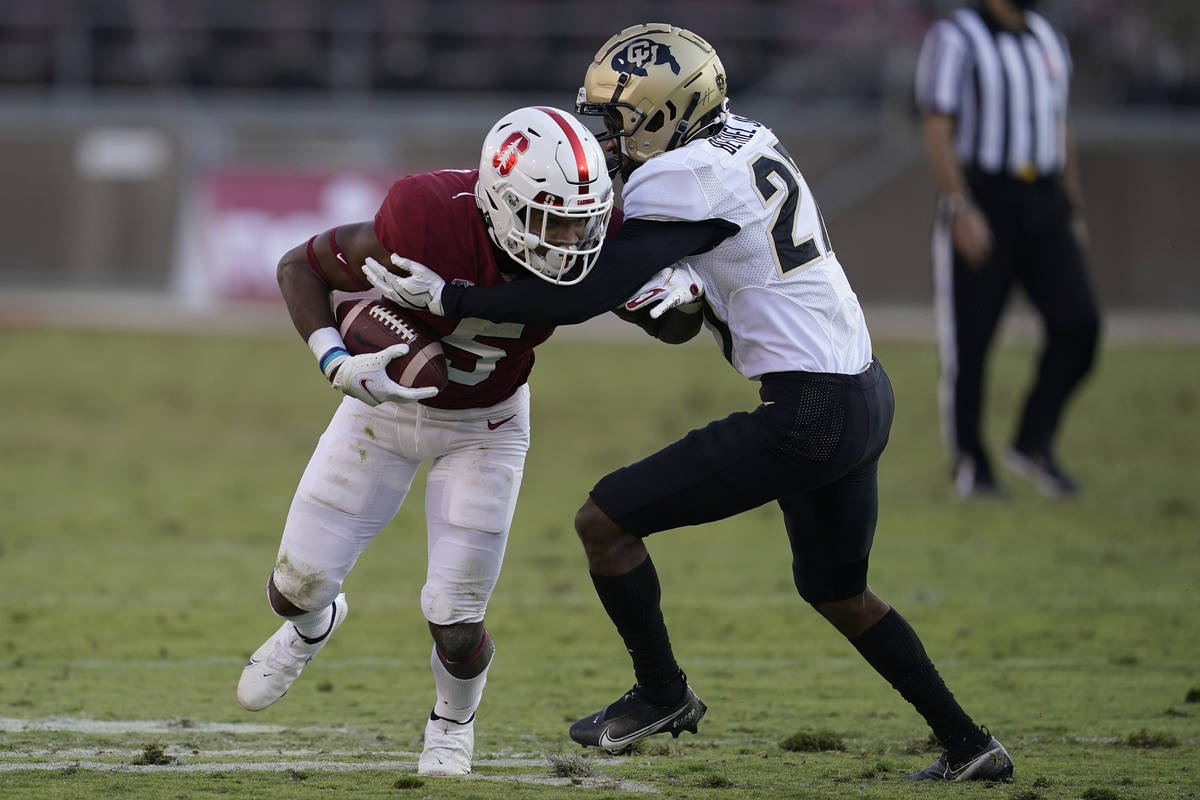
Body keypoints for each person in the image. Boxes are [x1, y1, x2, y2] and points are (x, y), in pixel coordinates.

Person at [366, 22, 1014, 782]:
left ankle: (663, 693)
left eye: (619, 118)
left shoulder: (684, 176)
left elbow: (588, 289)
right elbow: (689, 281)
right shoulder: (745, 140)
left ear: (670, 113)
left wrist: (456, 295)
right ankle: (970, 744)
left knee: (604, 523)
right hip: (864, 395)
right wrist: (684, 290)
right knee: (838, 592)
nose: (605, 133)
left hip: (811, 411)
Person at [236, 105, 632, 777]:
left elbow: (624, 296)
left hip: (488, 425)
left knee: (455, 616)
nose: (572, 236)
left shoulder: (598, 232)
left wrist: (681, 293)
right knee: (293, 588)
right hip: (380, 415)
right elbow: (297, 267)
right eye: (552, 218)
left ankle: (452, 721)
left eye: (582, 218)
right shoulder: (425, 218)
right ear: (502, 205)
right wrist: (336, 360)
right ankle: (312, 625)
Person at [914, 0, 1101, 499]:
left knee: (1080, 325)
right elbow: (936, 125)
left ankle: (1032, 442)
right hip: (985, 195)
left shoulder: (1046, 35)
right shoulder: (956, 36)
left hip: (1044, 199)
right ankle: (972, 464)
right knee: (970, 344)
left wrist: (1072, 205)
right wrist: (960, 205)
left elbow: (1059, 124)